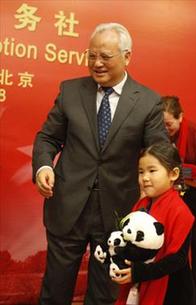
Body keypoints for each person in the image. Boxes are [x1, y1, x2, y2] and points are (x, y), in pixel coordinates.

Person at [32, 23, 168, 305]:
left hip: (118, 210)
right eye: (91, 56)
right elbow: (47, 137)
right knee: (55, 291)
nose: (96, 63)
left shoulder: (148, 102)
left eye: (105, 57)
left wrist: (152, 190)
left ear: (127, 56)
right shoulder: (70, 91)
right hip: (67, 205)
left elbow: (158, 152)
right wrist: (44, 167)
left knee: (104, 295)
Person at [113, 143, 195, 305]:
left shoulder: (180, 211)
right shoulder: (141, 204)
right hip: (140, 282)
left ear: (173, 174)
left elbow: (177, 259)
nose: (145, 177)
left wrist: (139, 273)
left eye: (152, 171)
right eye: (141, 172)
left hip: (172, 291)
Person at [162, 96, 196, 305]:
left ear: (181, 117)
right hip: (177, 193)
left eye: (169, 124)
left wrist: (182, 174)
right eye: (162, 124)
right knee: (177, 246)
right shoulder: (157, 134)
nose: (165, 129)